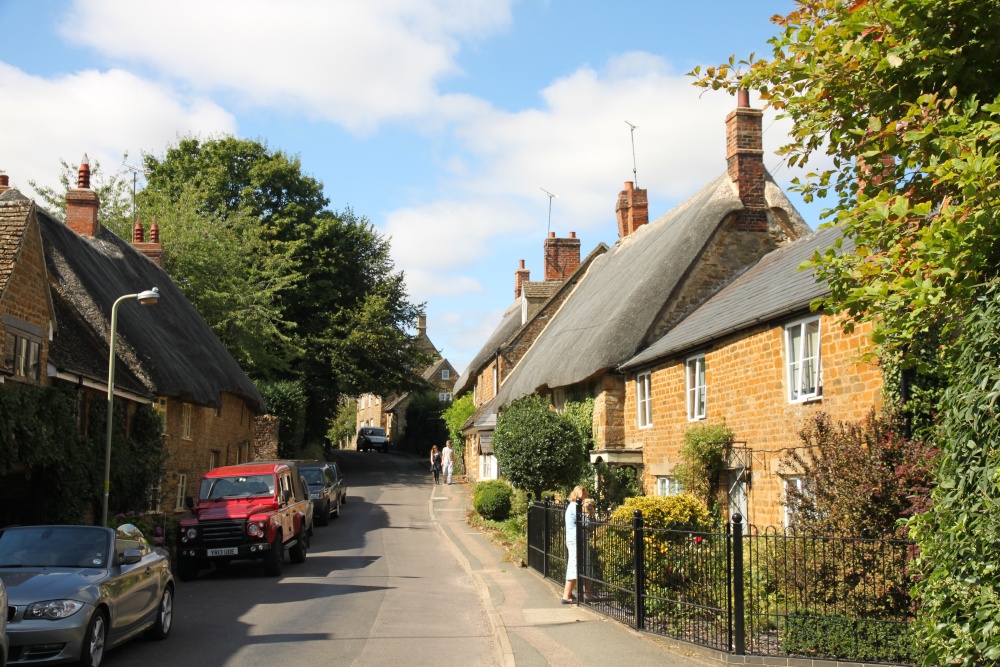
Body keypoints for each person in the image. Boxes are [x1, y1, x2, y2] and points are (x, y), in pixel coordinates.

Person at [562, 486, 587, 604]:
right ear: (580, 495)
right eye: (585, 495)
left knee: (574, 564)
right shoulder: (575, 506)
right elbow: (586, 523)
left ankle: (570, 593)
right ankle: (566, 596)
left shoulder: (571, 506)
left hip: (572, 538)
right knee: (574, 566)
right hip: (575, 539)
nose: (585, 497)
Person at [581, 497, 597, 602]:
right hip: (582, 541)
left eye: (590, 503)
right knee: (585, 566)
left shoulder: (592, 516)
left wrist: (591, 517)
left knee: (588, 567)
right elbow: (586, 525)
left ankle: (588, 592)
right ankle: (585, 592)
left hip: (589, 541)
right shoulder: (581, 515)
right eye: (587, 503)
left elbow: (594, 527)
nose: (589, 505)